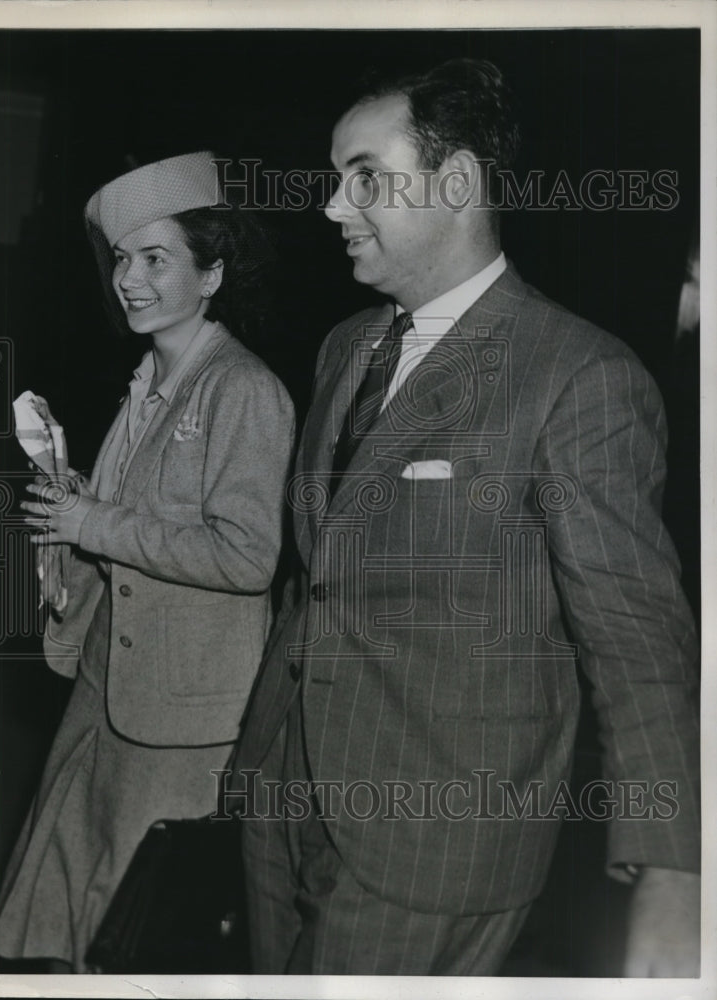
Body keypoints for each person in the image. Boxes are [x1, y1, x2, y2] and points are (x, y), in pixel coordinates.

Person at [233, 60, 700, 976]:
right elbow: (316, 581)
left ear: (456, 185)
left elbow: (638, 644)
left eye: (363, 177)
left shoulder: (577, 376)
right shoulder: (344, 347)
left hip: (431, 849)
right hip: (279, 800)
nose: (331, 207)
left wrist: (676, 868)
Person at [0, 152, 295, 972]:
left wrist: (95, 519)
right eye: (122, 258)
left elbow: (247, 555)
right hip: (108, 690)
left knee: (142, 936)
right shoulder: (147, 379)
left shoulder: (241, 390)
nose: (129, 278)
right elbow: (134, 523)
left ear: (213, 273)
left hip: (184, 721)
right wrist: (68, 514)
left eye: (156, 259)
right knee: (76, 923)